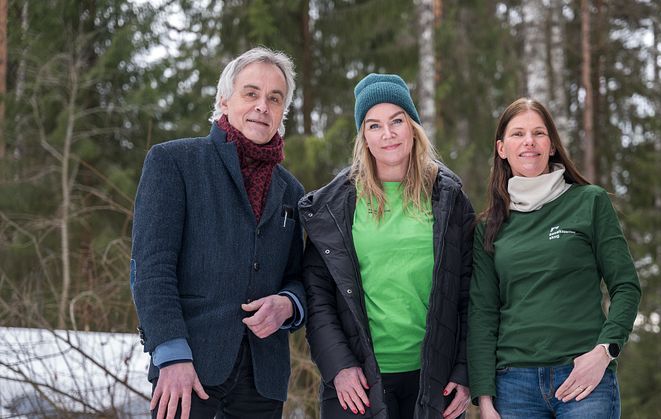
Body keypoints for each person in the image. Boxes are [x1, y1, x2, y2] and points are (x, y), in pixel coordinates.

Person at [130, 47, 306, 419]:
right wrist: (172, 354)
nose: (263, 106)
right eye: (251, 93)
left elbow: (298, 275)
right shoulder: (174, 163)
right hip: (187, 372)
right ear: (224, 100)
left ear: (282, 112)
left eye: (274, 98)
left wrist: (289, 303)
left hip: (263, 381)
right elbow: (152, 270)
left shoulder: (292, 191)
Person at [299, 73, 473, 419]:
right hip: (358, 383)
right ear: (363, 136)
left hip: (434, 382)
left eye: (397, 121)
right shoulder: (334, 207)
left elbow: (470, 292)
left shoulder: (448, 199)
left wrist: (464, 372)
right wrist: (340, 367)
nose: (388, 134)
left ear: (413, 127)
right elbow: (318, 297)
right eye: (374, 125)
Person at [467, 98, 642, 419]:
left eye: (539, 133)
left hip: (583, 378)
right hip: (513, 386)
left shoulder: (589, 202)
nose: (529, 141)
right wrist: (485, 397)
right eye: (518, 134)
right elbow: (482, 314)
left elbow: (626, 286)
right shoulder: (488, 226)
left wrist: (604, 352)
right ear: (502, 148)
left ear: (551, 146)